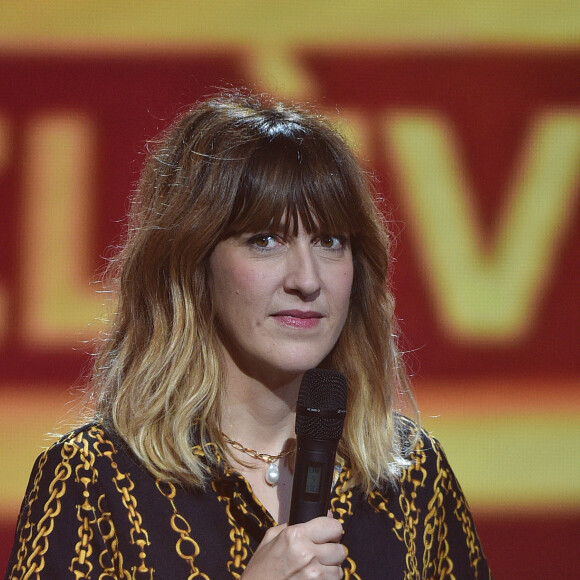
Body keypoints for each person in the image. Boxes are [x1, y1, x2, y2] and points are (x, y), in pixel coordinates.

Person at [5, 90, 491, 579]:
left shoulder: (411, 476)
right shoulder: (93, 479)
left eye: (329, 241)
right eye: (265, 240)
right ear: (194, 264)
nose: (306, 279)